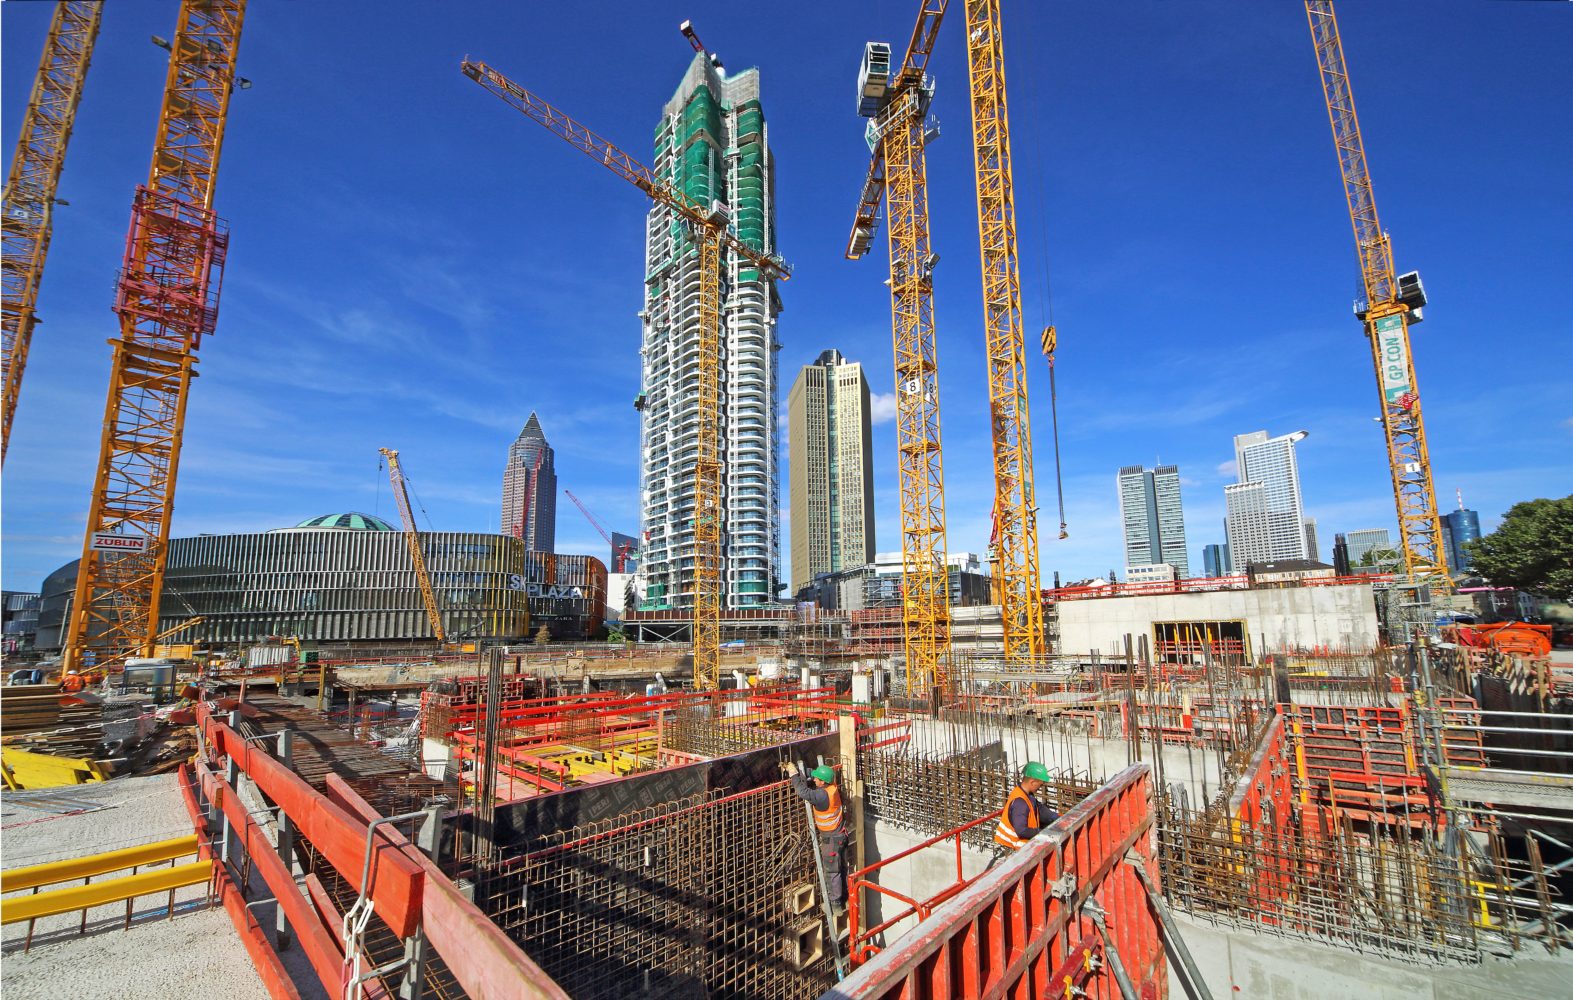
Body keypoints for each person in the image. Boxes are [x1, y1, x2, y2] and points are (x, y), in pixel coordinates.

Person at [791, 762, 850, 908]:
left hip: (831, 841)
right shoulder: (832, 786)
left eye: (817, 779)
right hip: (841, 835)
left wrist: (793, 775)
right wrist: (801, 770)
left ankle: (835, 904)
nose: (814, 780)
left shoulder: (821, 795)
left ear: (823, 782)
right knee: (842, 868)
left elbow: (803, 792)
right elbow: (815, 774)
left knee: (832, 872)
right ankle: (846, 897)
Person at [994, 761, 1060, 850]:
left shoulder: (1026, 794)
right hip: (1017, 847)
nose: (1040, 788)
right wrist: (1042, 833)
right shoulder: (1020, 803)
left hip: (1024, 845)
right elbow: (1022, 830)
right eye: (1040, 785)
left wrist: (1056, 817)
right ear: (1032, 782)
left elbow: (1039, 809)